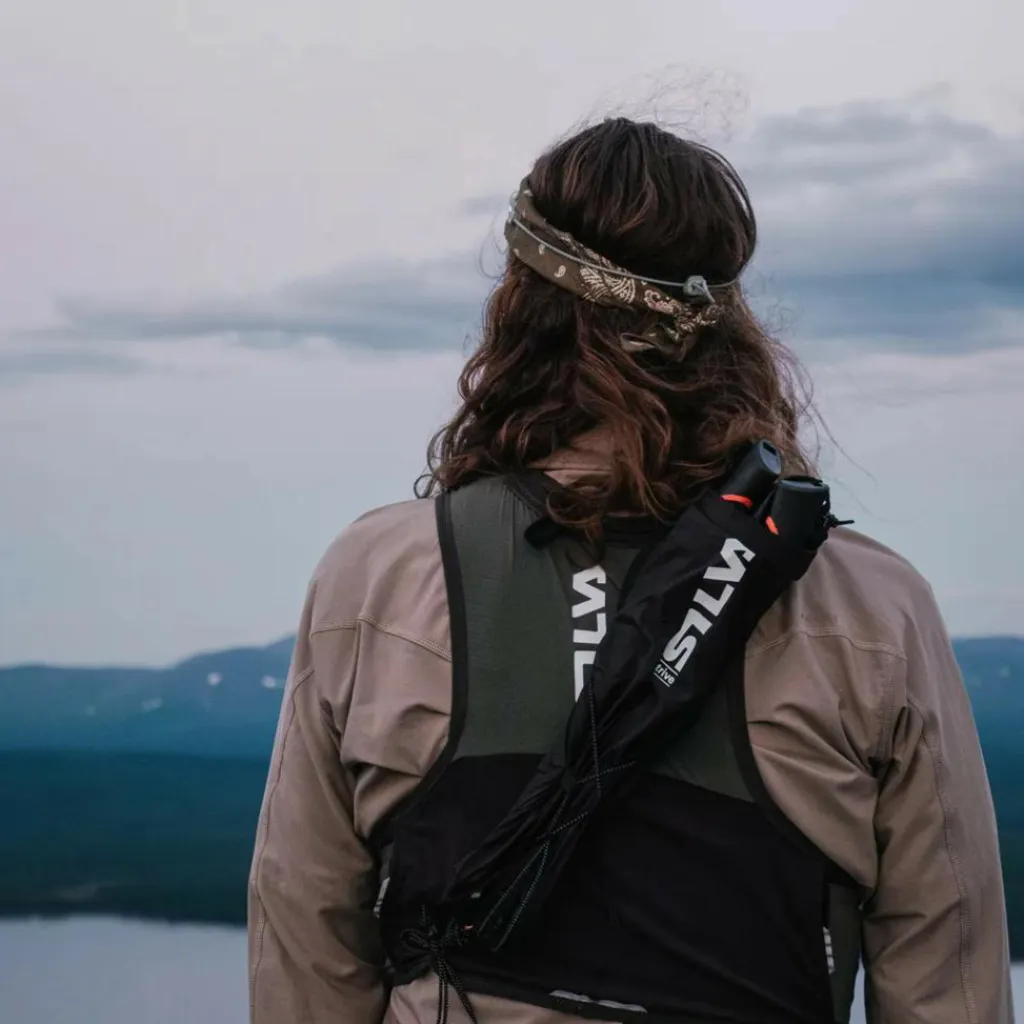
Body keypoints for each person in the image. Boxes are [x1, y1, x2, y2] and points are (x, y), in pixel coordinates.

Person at [247, 117, 1014, 1024]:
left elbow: (305, 927)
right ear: (730, 327)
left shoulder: (380, 579)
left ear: (519, 314)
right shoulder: (868, 606)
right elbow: (947, 968)